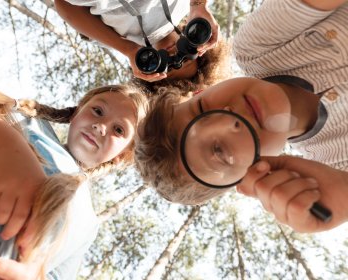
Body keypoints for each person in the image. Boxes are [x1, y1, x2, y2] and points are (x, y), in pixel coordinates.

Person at [134, 0, 348, 233]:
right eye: (220, 151)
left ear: (201, 91)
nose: (231, 121)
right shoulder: (338, 164)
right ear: (251, 174)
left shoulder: (257, 48)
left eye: (202, 109)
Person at [0, 73, 147, 279]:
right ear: (77, 112)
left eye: (118, 130)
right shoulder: (30, 122)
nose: (101, 126)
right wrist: (5, 146)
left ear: (122, 155)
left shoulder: (89, 225)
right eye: (97, 111)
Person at [54, 0, 231, 94]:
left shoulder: (120, 39)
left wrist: (128, 49)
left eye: (168, 67)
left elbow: (63, 5)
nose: (174, 55)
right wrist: (199, 5)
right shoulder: (187, 6)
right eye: (186, 58)